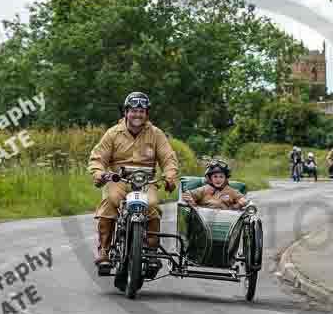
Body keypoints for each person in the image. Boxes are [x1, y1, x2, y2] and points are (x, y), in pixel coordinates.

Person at [88, 92, 179, 268]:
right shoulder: (113, 133)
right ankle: (104, 250)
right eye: (134, 111)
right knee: (109, 201)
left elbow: (169, 158)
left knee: (152, 205)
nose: (137, 115)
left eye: (142, 111)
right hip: (119, 180)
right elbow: (98, 157)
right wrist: (99, 173)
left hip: (146, 182)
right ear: (126, 112)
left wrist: (169, 176)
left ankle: (151, 252)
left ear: (147, 114)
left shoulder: (156, 134)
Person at [183, 160, 248, 210]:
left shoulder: (231, 191)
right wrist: (194, 205)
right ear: (210, 178)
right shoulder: (204, 189)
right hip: (205, 220)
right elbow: (188, 194)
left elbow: (242, 199)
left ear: (225, 179)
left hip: (226, 219)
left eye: (221, 177)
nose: (218, 179)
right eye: (215, 176)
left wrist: (239, 204)